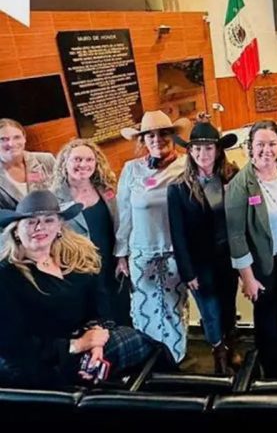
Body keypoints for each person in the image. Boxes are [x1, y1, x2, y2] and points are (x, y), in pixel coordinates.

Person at [0, 190, 162, 388]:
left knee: (149, 348)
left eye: (48, 220)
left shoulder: (77, 263)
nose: (40, 227)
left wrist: (96, 342)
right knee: (140, 343)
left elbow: (100, 311)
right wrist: (76, 345)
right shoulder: (6, 275)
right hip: (35, 365)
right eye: (30, 222)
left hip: (87, 348)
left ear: (59, 226)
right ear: (16, 231)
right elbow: (12, 345)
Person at [226, 120, 277, 379]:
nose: (266, 150)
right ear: (250, 146)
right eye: (260, 144)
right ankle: (270, 368)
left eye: (272, 143)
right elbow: (236, 235)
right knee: (265, 314)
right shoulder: (240, 185)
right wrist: (247, 277)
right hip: (260, 261)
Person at [115, 110, 190, 362]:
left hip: (175, 251)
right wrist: (121, 254)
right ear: (143, 140)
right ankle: (147, 361)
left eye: (163, 133)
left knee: (174, 308)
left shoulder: (186, 166)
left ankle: (174, 359)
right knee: (143, 308)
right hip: (142, 253)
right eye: (150, 135)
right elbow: (124, 214)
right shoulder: (131, 169)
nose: (157, 140)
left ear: (173, 136)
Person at [168, 121, 242, 374]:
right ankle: (218, 353)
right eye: (197, 149)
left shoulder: (231, 176)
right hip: (199, 262)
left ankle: (231, 344)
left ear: (218, 150)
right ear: (189, 151)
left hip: (228, 258)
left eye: (208, 148)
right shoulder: (178, 188)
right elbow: (177, 235)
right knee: (209, 310)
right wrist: (187, 271)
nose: (203, 154)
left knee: (228, 306)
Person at [51, 139, 131, 326]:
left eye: (89, 160)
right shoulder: (53, 198)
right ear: (64, 162)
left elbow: (119, 224)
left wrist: (121, 256)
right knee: (95, 320)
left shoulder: (106, 190)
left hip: (112, 264)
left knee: (122, 315)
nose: (83, 165)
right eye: (77, 159)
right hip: (79, 269)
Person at [0, 118, 55, 210]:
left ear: (24, 139)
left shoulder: (45, 160)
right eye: (3, 139)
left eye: (17, 137)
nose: (11, 144)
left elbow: (64, 193)